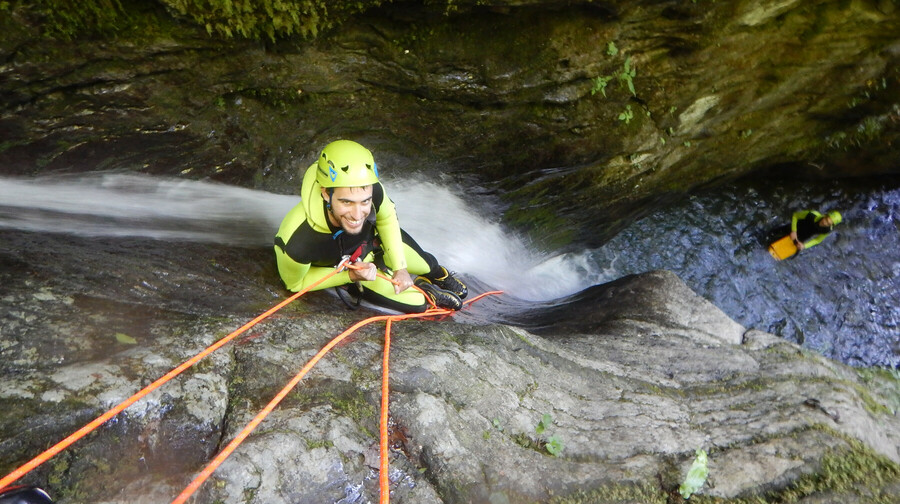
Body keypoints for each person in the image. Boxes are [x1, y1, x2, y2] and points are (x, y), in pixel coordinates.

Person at [274, 140, 467, 313]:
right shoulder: (298, 240)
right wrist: (350, 275)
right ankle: (424, 290)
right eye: (347, 202)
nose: (357, 216)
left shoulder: (373, 189)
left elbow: (387, 219)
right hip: (349, 268)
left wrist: (400, 267)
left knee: (426, 264)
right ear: (326, 194)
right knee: (417, 304)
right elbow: (296, 284)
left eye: (364, 202)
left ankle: (436, 274)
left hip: (374, 244)